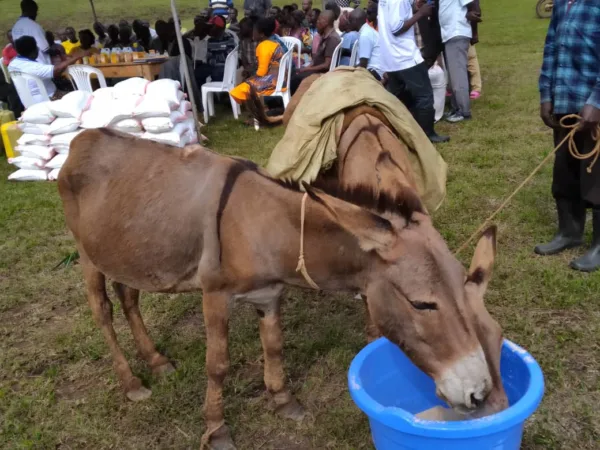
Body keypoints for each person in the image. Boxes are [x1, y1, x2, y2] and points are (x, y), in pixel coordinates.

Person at [535, 0, 600, 272]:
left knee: (596, 176)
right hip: (564, 101)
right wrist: (546, 95)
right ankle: (569, 231)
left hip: (592, 105)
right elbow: (551, 49)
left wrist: (596, 101)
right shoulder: (561, 3)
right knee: (565, 169)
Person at [378, 0, 449, 143]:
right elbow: (396, 28)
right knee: (425, 96)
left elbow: (394, 16)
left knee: (400, 97)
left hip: (390, 58)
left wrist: (413, 9)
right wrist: (421, 13)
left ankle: (399, 130)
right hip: (406, 56)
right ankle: (427, 134)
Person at [8, 36, 89, 104]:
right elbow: (56, 70)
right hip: (50, 98)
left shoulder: (12, 64)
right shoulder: (32, 67)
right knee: (84, 97)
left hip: (28, 101)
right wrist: (77, 57)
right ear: (33, 50)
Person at [438, 0, 479, 123]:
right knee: (453, 76)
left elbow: (473, 3)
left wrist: (475, 28)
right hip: (450, 34)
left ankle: (463, 111)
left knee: (458, 75)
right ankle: (456, 108)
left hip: (457, 32)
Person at [230, 17, 286, 103]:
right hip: (280, 80)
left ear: (261, 34)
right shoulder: (273, 43)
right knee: (245, 84)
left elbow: (261, 73)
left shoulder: (264, 46)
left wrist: (250, 79)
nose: (253, 33)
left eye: (254, 31)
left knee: (238, 90)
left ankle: (256, 110)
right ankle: (258, 107)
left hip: (272, 82)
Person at [291, 10, 340, 94]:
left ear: (325, 22)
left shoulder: (332, 38)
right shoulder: (324, 36)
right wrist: (306, 68)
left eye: (318, 20)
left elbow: (326, 65)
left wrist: (307, 69)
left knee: (295, 79)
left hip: (322, 73)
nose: (316, 23)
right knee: (293, 72)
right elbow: (315, 60)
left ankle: (294, 103)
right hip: (316, 69)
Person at [196, 16, 237, 85]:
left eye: (212, 26)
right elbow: (209, 58)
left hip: (225, 67)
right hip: (213, 66)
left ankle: (218, 93)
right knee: (197, 72)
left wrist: (216, 57)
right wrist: (218, 56)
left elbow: (229, 58)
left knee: (217, 72)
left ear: (219, 28)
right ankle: (201, 93)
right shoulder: (210, 40)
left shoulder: (228, 38)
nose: (209, 29)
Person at [12, 0, 50, 64]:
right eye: (35, 11)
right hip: (40, 65)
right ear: (31, 10)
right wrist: (56, 50)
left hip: (25, 64)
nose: (36, 14)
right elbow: (45, 49)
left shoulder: (15, 27)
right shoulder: (34, 26)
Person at [357, 5, 383, 81]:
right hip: (377, 69)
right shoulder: (368, 28)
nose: (367, 16)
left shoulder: (366, 33)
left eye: (369, 13)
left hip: (374, 72)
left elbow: (363, 65)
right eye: (366, 12)